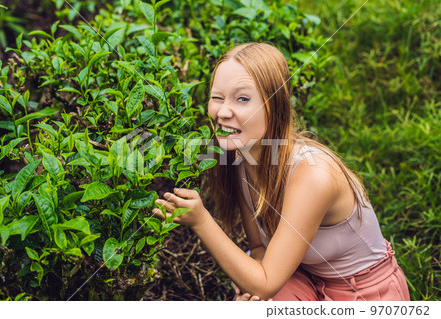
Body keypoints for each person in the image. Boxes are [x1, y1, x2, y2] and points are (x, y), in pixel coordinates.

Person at [152, 43, 410, 301]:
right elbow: (258, 249)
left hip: (363, 293)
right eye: (217, 97)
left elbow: (265, 283)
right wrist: (251, 290)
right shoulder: (240, 159)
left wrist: (201, 221)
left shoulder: (314, 175)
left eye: (242, 99)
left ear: (274, 106)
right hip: (303, 279)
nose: (223, 111)